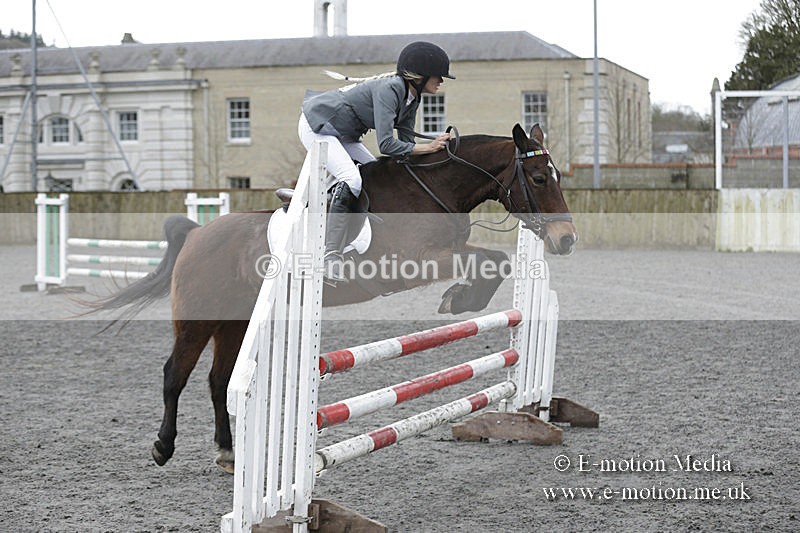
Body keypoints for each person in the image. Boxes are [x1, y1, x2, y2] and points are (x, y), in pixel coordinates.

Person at [298, 41, 455, 285]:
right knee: (352, 179)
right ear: (420, 76)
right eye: (438, 76)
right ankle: (329, 255)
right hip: (319, 126)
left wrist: (436, 144)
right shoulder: (391, 89)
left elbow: (405, 143)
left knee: (377, 175)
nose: (441, 81)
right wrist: (429, 147)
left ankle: (358, 240)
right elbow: (387, 145)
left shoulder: (412, 98)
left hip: (344, 134)